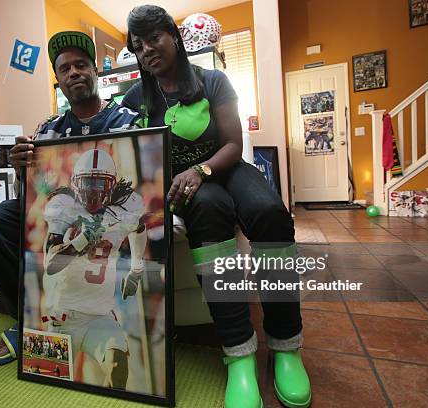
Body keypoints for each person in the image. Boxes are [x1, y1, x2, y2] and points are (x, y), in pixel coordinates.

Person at [122, 6, 310, 408]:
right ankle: (238, 354)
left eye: (154, 38)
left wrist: (199, 169)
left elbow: (233, 145)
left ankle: (286, 345)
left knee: (269, 212)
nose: (148, 50)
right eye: (138, 46)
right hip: (187, 189)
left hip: (223, 167)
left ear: (174, 36)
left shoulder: (213, 80)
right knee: (207, 211)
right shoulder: (136, 97)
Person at [0, 31, 140, 368]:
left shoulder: (129, 122)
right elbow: (34, 193)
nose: (73, 72)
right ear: (59, 80)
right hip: (65, 210)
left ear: (95, 71)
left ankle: (123, 323)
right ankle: (27, 317)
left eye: (80, 65)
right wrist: (22, 167)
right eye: (64, 69)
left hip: (107, 217)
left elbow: (139, 184)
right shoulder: (47, 130)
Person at [40, 147, 146, 389]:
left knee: (118, 371)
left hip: (100, 314)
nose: (93, 191)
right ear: (76, 183)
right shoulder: (64, 205)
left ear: (112, 184)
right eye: (88, 183)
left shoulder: (125, 207)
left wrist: (136, 270)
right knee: (48, 385)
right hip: (61, 315)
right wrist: (82, 239)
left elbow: (139, 228)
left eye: (100, 184)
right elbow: (51, 265)